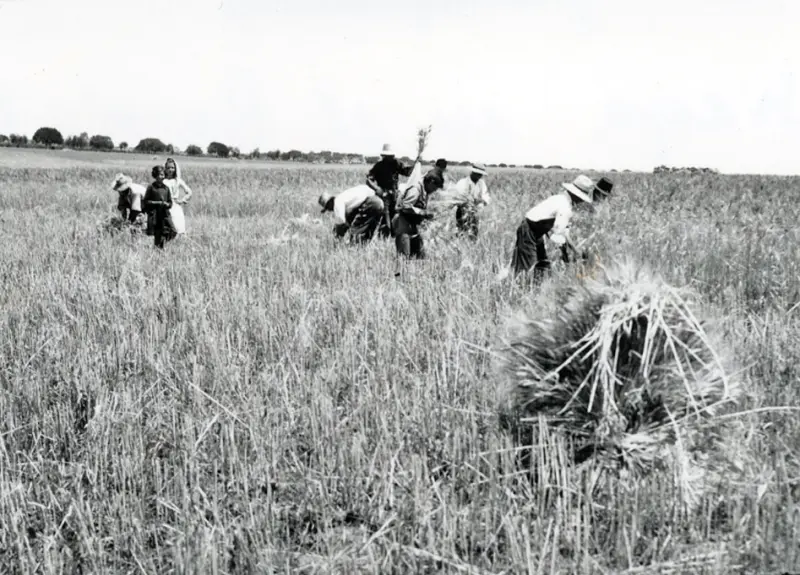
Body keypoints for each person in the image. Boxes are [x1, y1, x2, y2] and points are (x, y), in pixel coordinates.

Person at [509, 174, 595, 281]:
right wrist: (574, 254)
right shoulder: (565, 208)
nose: (581, 201)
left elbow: (558, 230)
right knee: (528, 267)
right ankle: (522, 286)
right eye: (581, 198)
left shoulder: (559, 198)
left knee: (542, 265)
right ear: (576, 195)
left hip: (535, 230)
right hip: (529, 231)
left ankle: (532, 284)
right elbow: (560, 236)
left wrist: (571, 252)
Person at [366, 143, 418, 237]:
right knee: (385, 216)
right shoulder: (379, 166)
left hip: (394, 194)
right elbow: (369, 179)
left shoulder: (396, 163)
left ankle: (393, 235)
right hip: (384, 195)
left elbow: (407, 172)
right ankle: (385, 235)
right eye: (389, 155)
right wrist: (377, 189)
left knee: (395, 215)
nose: (392, 157)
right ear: (385, 156)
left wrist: (416, 164)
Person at [392, 169, 444, 259]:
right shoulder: (415, 189)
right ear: (431, 182)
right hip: (403, 224)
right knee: (403, 258)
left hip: (412, 225)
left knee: (419, 257)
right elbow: (405, 206)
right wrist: (422, 213)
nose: (434, 191)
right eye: (435, 188)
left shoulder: (424, 189)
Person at [318, 185, 385, 244]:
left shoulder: (337, 202)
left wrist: (337, 237)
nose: (330, 210)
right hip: (378, 201)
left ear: (330, 202)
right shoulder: (346, 198)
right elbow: (350, 217)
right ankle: (365, 245)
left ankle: (354, 247)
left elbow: (341, 223)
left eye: (328, 208)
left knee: (355, 233)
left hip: (370, 204)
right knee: (369, 232)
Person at [451, 163, 491, 240]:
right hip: (462, 212)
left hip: (475, 212)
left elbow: (486, 196)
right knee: (461, 232)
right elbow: (458, 198)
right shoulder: (462, 182)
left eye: (480, 175)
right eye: (478, 174)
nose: (479, 176)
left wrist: (481, 201)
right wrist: (469, 201)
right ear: (473, 172)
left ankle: (472, 245)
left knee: (474, 233)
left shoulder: (481, 183)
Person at [142, 165, 177, 249]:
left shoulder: (166, 188)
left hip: (165, 214)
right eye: (160, 175)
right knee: (158, 233)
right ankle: (158, 249)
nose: (162, 177)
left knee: (173, 231)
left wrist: (167, 204)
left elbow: (170, 202)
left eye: (163, 175)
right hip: (155, 214)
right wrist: (157, 203)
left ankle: (162, 243)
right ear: (155, 176)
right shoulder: (151, 187)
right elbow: (146, 201)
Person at [164, 157, 192, 234]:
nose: (170, 170)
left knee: (178, 228)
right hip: (164, 206)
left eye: (172, 168)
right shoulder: (163, 180)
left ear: (175, 169)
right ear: (165, 169)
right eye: (168, 168)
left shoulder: (178, 181)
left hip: (175, 206)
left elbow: (189, 191)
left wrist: (183, 200)